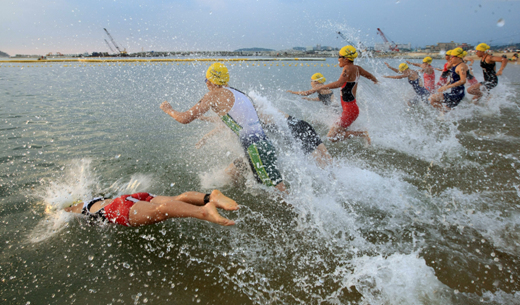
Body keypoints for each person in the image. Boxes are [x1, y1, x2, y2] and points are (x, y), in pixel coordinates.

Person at [160, 63, 286, 192]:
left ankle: (300, 211)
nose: (206, 84)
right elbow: (235, 123)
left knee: (280, 194)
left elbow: (184, 118)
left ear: (209, 81)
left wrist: (168, 109)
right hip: (261, 147)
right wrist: (206, 136)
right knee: (228, 176)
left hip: (256, 151)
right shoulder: (238, 93)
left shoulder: (213, 95)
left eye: (206, 80)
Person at [286, 45, 377, 143]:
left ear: (346, 59)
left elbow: (339, 83)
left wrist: (321, 87)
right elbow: (370, 76)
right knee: (337, 132)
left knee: (331, 137)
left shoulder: (347, 68)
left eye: (339, 56)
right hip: (351, 109)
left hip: (349, 111)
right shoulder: (357, 68)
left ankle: (361, 133)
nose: (338, 59)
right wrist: (376, 81)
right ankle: (358, 134)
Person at [196, 108, 333, 169]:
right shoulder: (247, 106)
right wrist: (205, 135)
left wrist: (204, 119)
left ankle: (333, 185)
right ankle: (339, 179)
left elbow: (225, 123)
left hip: (294, 131)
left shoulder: (243, 112)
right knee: (328, 161)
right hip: (300, 124)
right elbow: (226, 123)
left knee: (321, 164)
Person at [64, 190, 238, 226]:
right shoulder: (97, 197)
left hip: (118, 209)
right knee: (175, 199)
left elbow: (65, 211)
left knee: (160, 212)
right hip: (130, 197)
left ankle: (204, 211)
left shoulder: (80, 209)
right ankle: (209, 197)